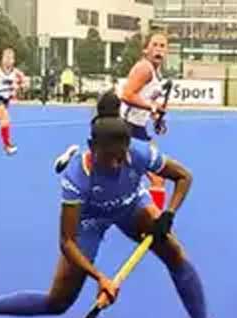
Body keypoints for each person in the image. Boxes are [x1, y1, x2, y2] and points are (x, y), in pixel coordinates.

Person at [0, 94, 232, 318]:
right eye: (108, 159)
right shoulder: (77, 178)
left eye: (121, 157)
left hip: (131, 206)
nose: (116, 165)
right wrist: (100, 278)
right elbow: (67, 242)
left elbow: (183, 177)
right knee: (58, 302)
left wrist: (168, 213)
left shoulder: (139, 152)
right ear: (92, 148)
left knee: (174, 253)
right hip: (90, 219)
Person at [55, 32, 171, 210]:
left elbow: (145, 101)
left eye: (162, 46)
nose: (159, 49)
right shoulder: (144, 69)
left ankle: (76, 157)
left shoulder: (157, 73)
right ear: (145, 49)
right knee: (148, 175)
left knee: (144, 174)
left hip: (137, 128)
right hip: (125, 126)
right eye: (154, 45)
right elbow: (127, 95)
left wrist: (156, 119)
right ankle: (154, 220)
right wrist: (152, 108)